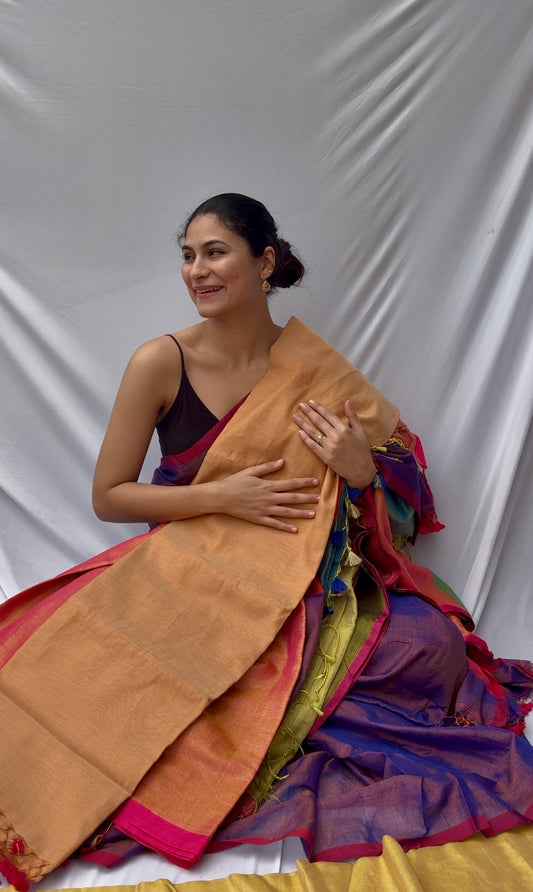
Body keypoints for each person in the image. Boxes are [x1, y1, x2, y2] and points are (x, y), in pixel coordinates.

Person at [1, 194, 532, 891]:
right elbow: (110, 497)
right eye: (188, 255)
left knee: (430, 644)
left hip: (309, 585)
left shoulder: (315, 368)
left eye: (215, 252)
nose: (197, 270)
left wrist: (361, 469)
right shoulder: (159, 361)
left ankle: (272, 701)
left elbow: (406, 496)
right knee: (70, 674)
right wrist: (221, 497)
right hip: (191, 572)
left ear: (265, 260)